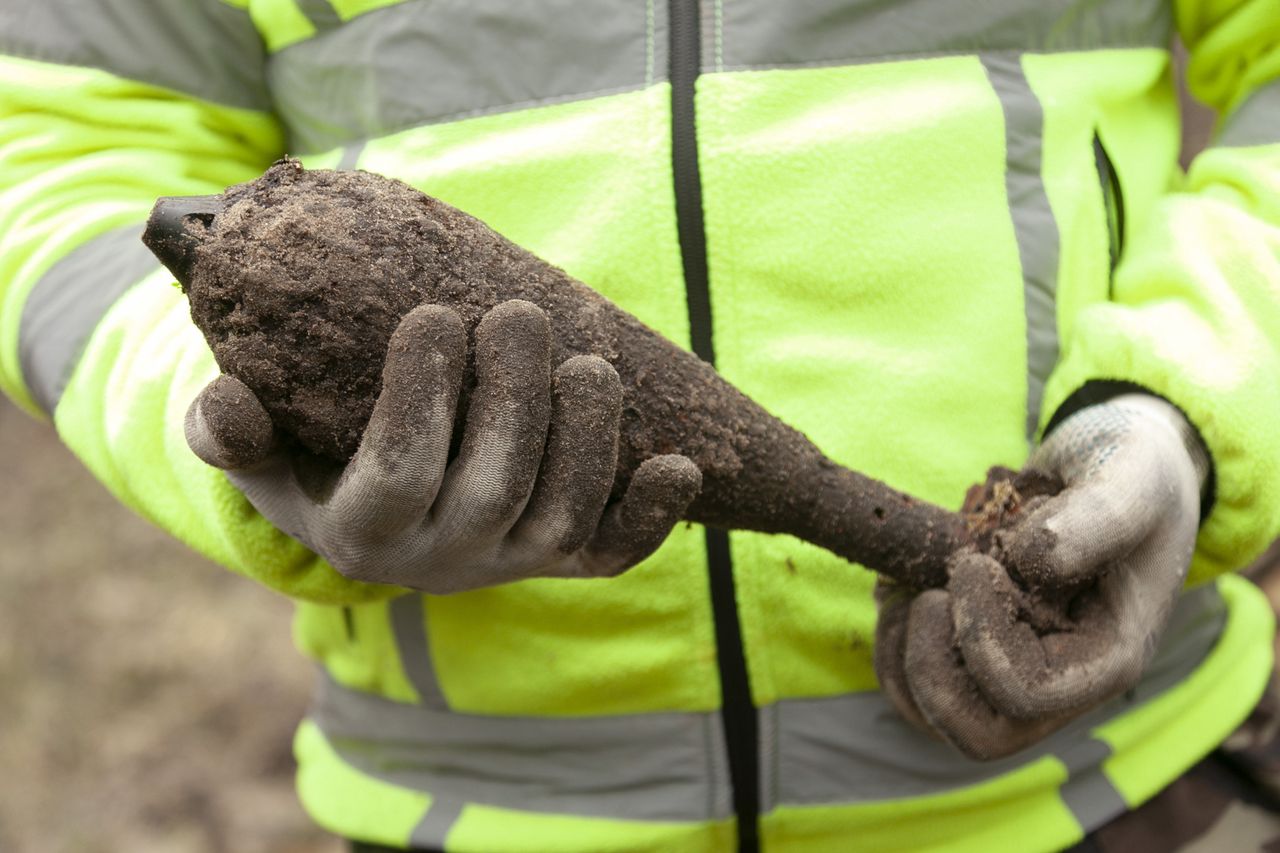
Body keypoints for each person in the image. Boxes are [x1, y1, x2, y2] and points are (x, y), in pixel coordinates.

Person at [2, 1, 1278, 850]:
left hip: (1110, 789)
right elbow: (49, 151)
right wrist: (261, 436)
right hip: (483, 813)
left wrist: (1187, 399)